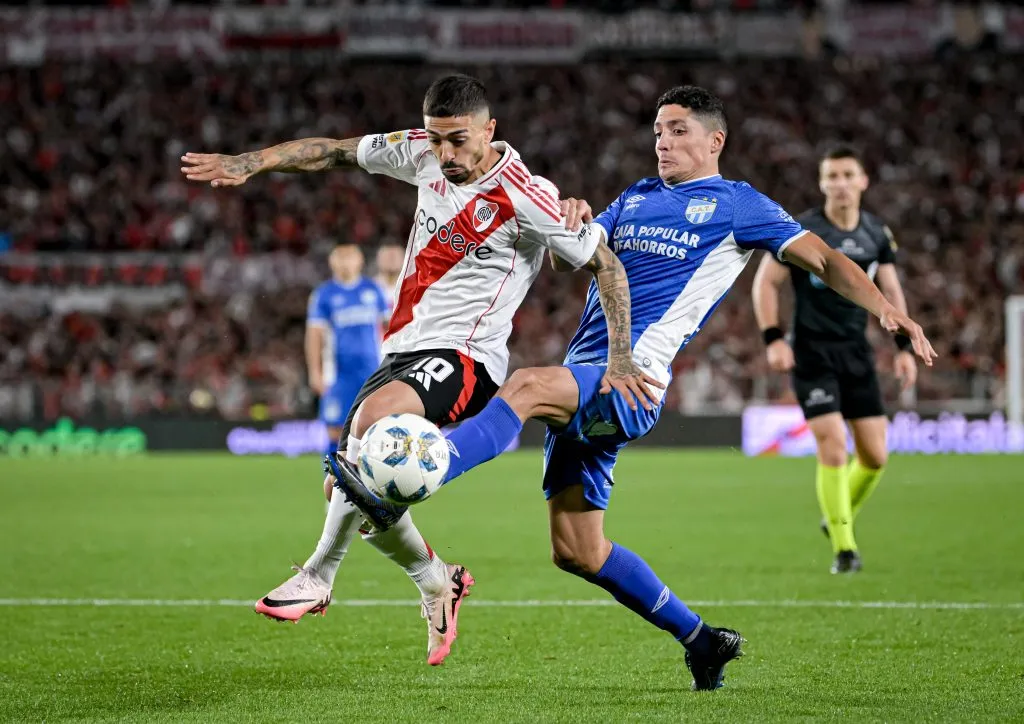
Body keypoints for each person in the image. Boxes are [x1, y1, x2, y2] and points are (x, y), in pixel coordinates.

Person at [332, 86, 936, 690]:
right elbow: (578, 253)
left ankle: (410, 482)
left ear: (714, 140)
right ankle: (702, 639)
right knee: (576, 551)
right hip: (591, 376)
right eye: (656, 131)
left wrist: (887, 310)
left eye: (677, 131)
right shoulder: (638, 196)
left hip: (634, 377)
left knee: (525, 386)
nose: (662, 142)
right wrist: (568, 213)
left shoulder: (737, 205)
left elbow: (827, 261)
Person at [180, 74, 650, 665]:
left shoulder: (529, 195)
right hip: (402, 351)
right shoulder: (420, 152)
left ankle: (319, 576)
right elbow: (334, 152)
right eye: (436, 140)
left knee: (370, 427)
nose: (445, 155)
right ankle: (437, 580)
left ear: (490, 129)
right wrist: (252, 162)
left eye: (457, 140)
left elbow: (603, 263)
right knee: (348, 487)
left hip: (468, 358)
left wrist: (622, 356)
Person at [751, 147, 917, 574]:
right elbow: (765, 284)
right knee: (831, 443)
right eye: (832, 176)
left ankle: (836, 517)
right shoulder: (804, 229)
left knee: (876, 456)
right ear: (822, 184)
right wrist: (773, 338)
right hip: (810, 351)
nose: (840, 183)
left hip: (856, 352)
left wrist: (902, 348)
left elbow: (892, 293)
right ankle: (845, 549)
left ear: (863, 181)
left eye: (848, 175)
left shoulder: (877, 234)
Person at [307, 244, 389, 459]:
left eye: (349, 257)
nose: (345, 263)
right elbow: (315, 335)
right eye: (340, 258)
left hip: (372, 370)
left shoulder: (373, 290)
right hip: (338, 374)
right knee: (335, 429)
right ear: (332, 263)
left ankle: (368, 482)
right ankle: (335, 482)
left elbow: (389, 328)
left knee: (373, 426)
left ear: (360, 261)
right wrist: (315, 372)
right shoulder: (324, 295)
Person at [373, 243, 405, 308]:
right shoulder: (369, 287)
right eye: (387, 256)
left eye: (395, 257)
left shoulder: (414, 288)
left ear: (404, 260)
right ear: (378, 260)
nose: (391, 260)